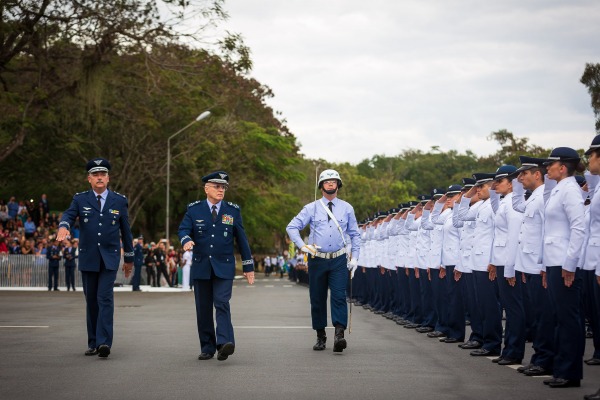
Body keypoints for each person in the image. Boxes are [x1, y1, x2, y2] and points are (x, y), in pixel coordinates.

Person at [56, 157, 134, 359]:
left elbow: (126, 232)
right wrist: (64, 226)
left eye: (103, 174)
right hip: (89, 257)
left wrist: (129, 259)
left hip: (109, 258)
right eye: (95, 175)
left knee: (104, 298)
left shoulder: (119, 200)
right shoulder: (80, 199)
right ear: (89, 179)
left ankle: (104, 343)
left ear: (108, 178)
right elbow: (68, 215)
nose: (100, 178)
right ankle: (93, 342)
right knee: (91, 300)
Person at [178, 170, 255, 361]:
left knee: (222, 303)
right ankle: (207, 347)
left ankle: (225, 343)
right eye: (217, 187)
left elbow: (242, 240)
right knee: (203, 308)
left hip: (224, 266)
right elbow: (183, 229)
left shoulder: (232, 210)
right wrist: (186, 240)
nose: (221, 190)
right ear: (207, 189)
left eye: (223, 187)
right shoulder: (194, 210)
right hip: (201, 265)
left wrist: (248, 266)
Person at [286, 169, 360, 353]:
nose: (330, 184)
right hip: (317, 259)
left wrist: (355, 257)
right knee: (317, 299)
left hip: (338, 259)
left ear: (338, 185)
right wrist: (302, 246)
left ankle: (339, 335)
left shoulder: (347, 208)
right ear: (321, 186)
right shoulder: (311, 208)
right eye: (326, 182)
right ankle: (320, 335)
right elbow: (292, 227)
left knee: (338, 296)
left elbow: (355, 234)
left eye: (333, 181)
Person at [540, 147, 586, 388]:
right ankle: (562, 368)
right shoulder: (559, 189)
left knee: (568, 319)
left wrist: (569, 265)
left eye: (551, 164)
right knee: (560, 317)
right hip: (554, 262)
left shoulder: (570, 191)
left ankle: (570, 372)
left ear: (563, 166)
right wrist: (547, 266)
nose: (547, 168)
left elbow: (579, 228)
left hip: (565, 263)